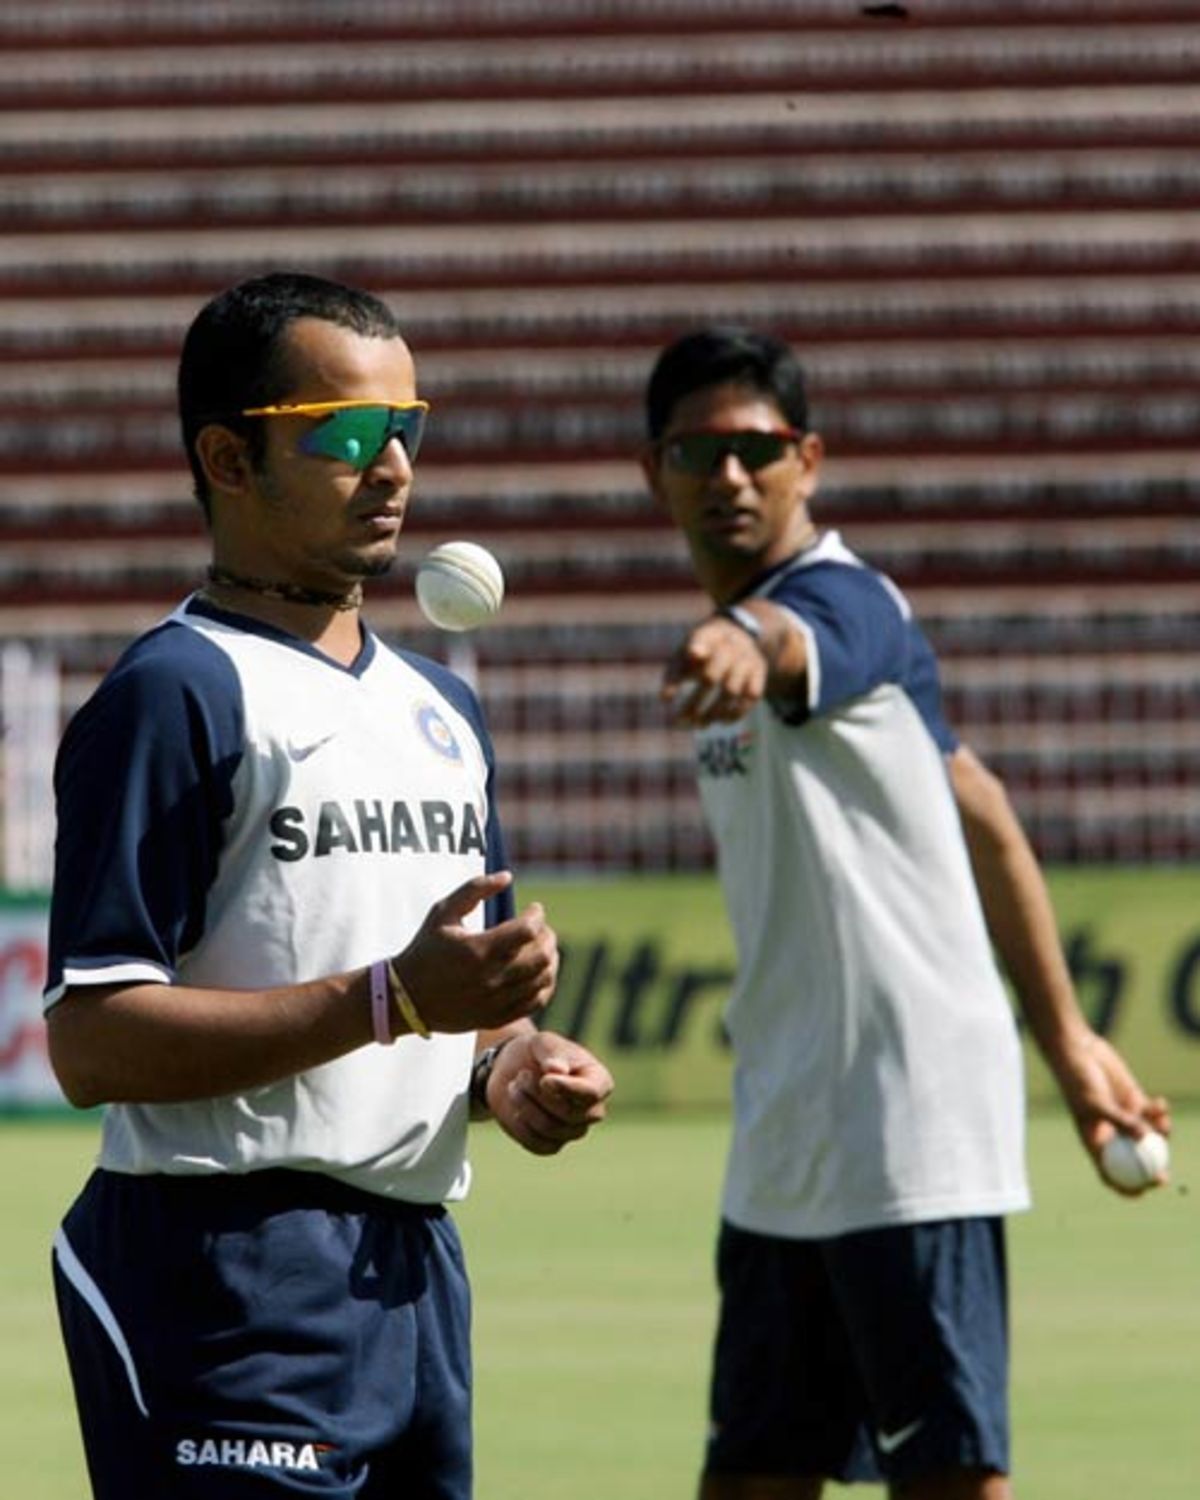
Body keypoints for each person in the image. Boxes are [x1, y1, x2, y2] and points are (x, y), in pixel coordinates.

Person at [43, 270, 613, 1500]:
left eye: (408, 429)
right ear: (228, 460)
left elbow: (460, 1005)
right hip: (220, 1269)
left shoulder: (440, 712)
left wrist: (511, 1065)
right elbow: (92, 1039)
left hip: (411, 1270)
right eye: (347, 435)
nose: (394, 466)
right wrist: (394, 1003)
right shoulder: (175, 695)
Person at [639, 325, 1171, 1500]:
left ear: (807, 460)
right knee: (755, 1473)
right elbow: (981, 810)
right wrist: (1073, 1040)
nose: (728, 475)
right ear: (655, 472)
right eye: (697, 452)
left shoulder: (842, 601)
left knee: (949, 1476)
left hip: (907, 1115)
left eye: (756, 448)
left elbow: (801, 639)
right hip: (786, 1120)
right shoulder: (758, 637)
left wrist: (748, 636)